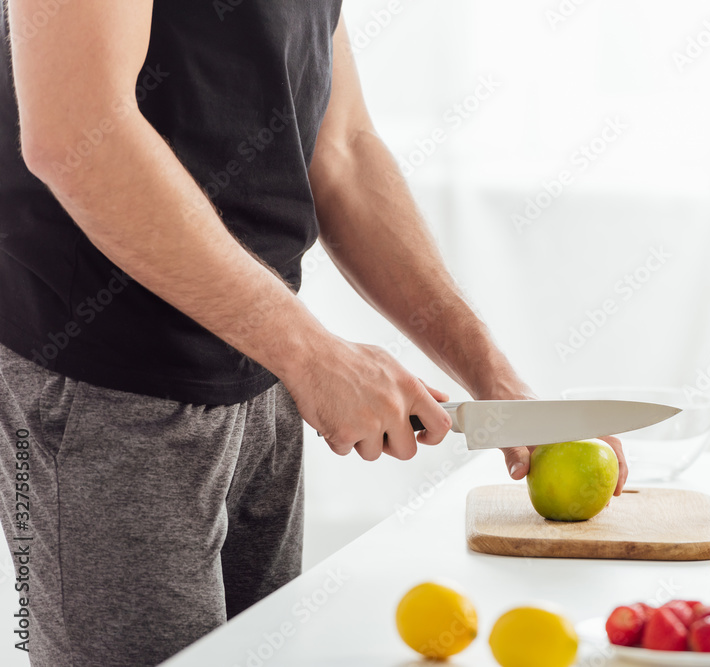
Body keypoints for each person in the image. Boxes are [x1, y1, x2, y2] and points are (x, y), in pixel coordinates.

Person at [0, 2, 627, 665]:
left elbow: (343, 152)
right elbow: (78, 133)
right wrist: (311, 352)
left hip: (263, 373)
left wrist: (495, 382)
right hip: (108, 390)